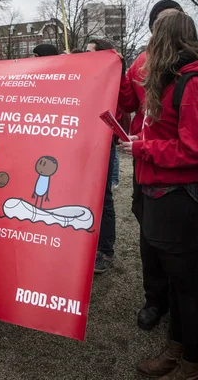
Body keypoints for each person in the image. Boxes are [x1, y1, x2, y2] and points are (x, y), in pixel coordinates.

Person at [120, 11, 198, 380]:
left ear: (165, 41)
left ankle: (193, 366)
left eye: (155, 36)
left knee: (187, 287)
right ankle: (176, 350)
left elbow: (197, 149)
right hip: (160, 193)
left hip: (178, 198)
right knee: (177, 283)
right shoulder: (173, 81)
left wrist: (144, 149)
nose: (149, 44)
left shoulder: (193, 84)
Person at [118, 0, 184, 329]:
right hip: (146, 168)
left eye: (174, 22)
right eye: (160, 23)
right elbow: (126, 104)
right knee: (148, 237)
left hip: (182, 173)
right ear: (152, 28)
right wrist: (112, 75)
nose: (167, 29)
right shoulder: (140, 65)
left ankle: (182, 299)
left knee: (181, 245)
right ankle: (154, 299)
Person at [85, 38, 120, 273]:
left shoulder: (112, 78)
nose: (85, 56)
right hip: (85, 143)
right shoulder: (87, 75)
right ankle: (87, 243)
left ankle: (105, 251)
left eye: (90, 53)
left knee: (103, 198)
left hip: (104, 143)